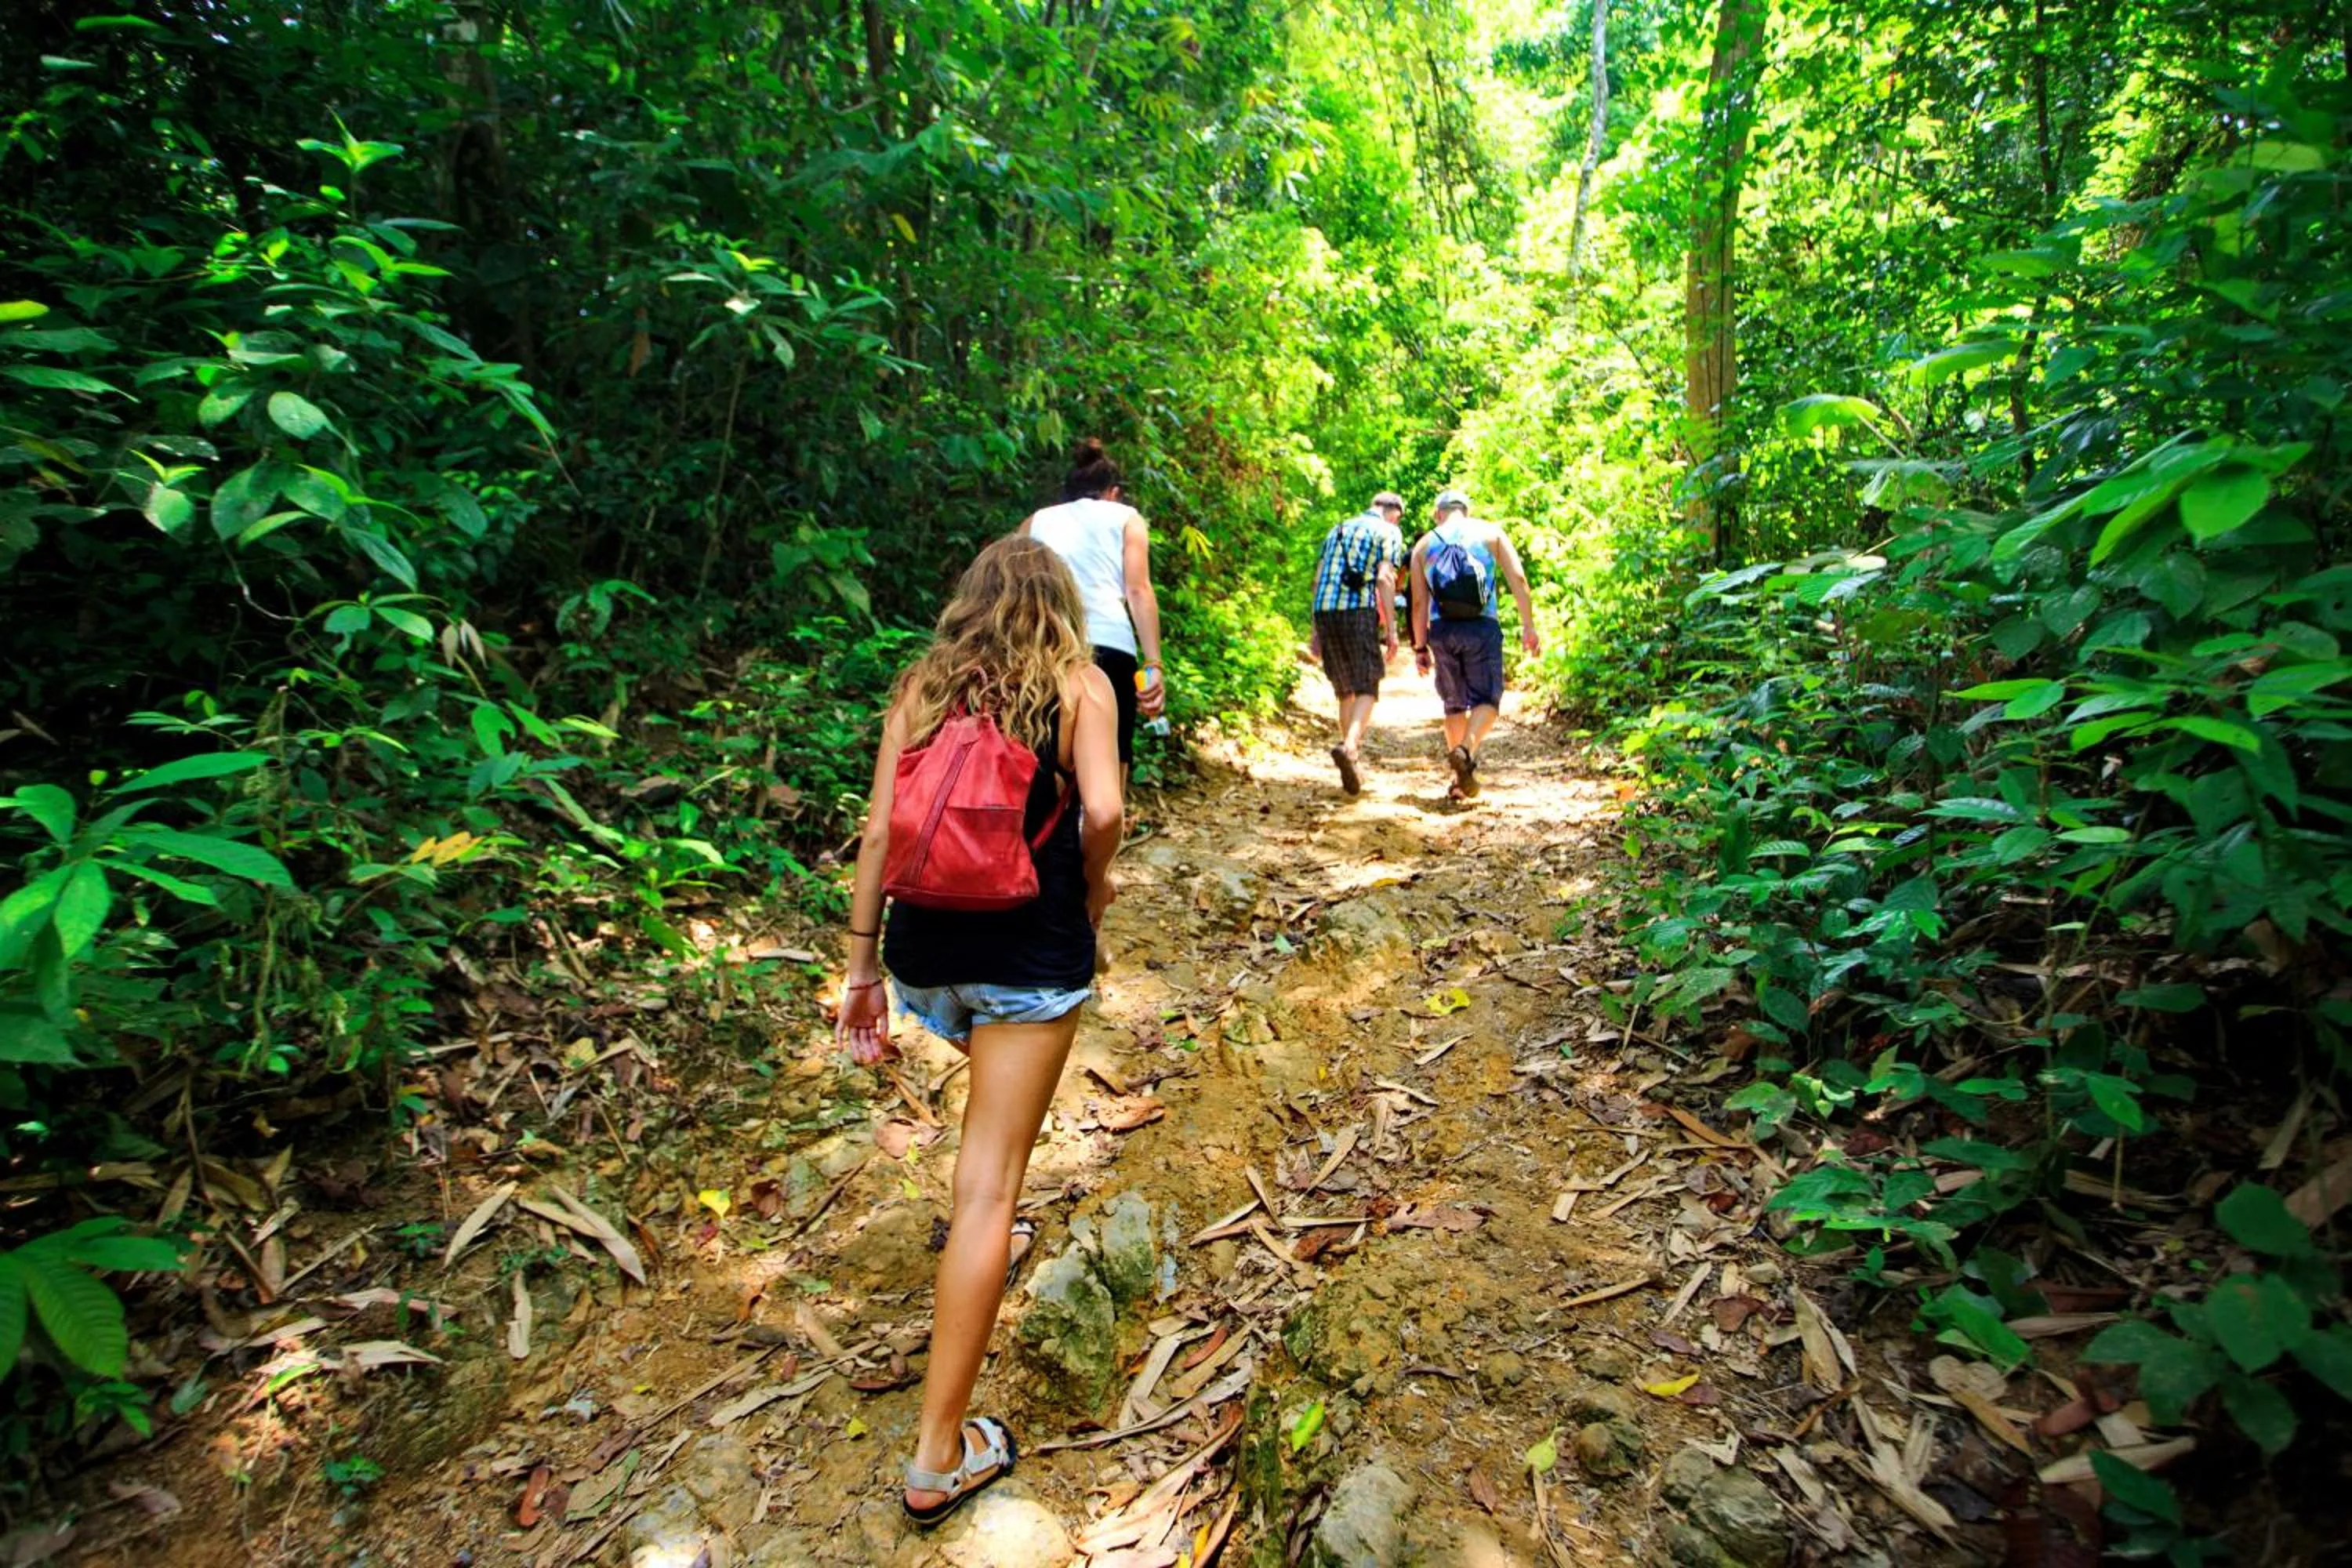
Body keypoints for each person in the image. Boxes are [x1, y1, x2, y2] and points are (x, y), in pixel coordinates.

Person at [836, 535, 1124, 1529]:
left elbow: (877, 831)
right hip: (1028, 954)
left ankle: (982, 1223)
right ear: (1059, 605)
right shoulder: (1082, 685)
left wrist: (863, 967)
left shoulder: (921, 684)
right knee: (989, 1185)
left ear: (972, 600)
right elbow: (1106, 809)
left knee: (986, 1138)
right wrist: (1092, 896)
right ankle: (936, 1455)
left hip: (923, 955)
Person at [1022, 439, 1166, 768]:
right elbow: (1139, 591)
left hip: (1047, 649)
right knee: (1112, 759)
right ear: (1112, 492)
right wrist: (1153, 665)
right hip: (1110, 648)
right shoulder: (1127, 518)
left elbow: (1017, 595)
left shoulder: (1036, 522)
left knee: (1044, 763)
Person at [1409, 489, 1539, 800]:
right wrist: (1528, 626)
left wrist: (1420, 647)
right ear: (1465, 510)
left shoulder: (1424, 545)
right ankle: (1465, 750)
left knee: (1454, 704)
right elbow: (1518, 579)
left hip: (1443, 629)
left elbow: (1417, 603)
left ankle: (1458, 781)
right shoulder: (1490, 533)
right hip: (1482, 627)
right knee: (1487, 701)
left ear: (1438, 514)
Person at [1308, 490, 1406, 794]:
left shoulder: (1336, 529)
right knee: (1368, 684)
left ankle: (1352, 760)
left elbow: (1318, 578)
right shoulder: (1388, 531)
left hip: (1325, 611)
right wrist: (1391, 630)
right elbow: (1385, 579)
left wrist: (1314, 632)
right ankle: (1349, 747)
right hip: (1357, 610)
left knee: (1345, 690)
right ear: (1394, 512)